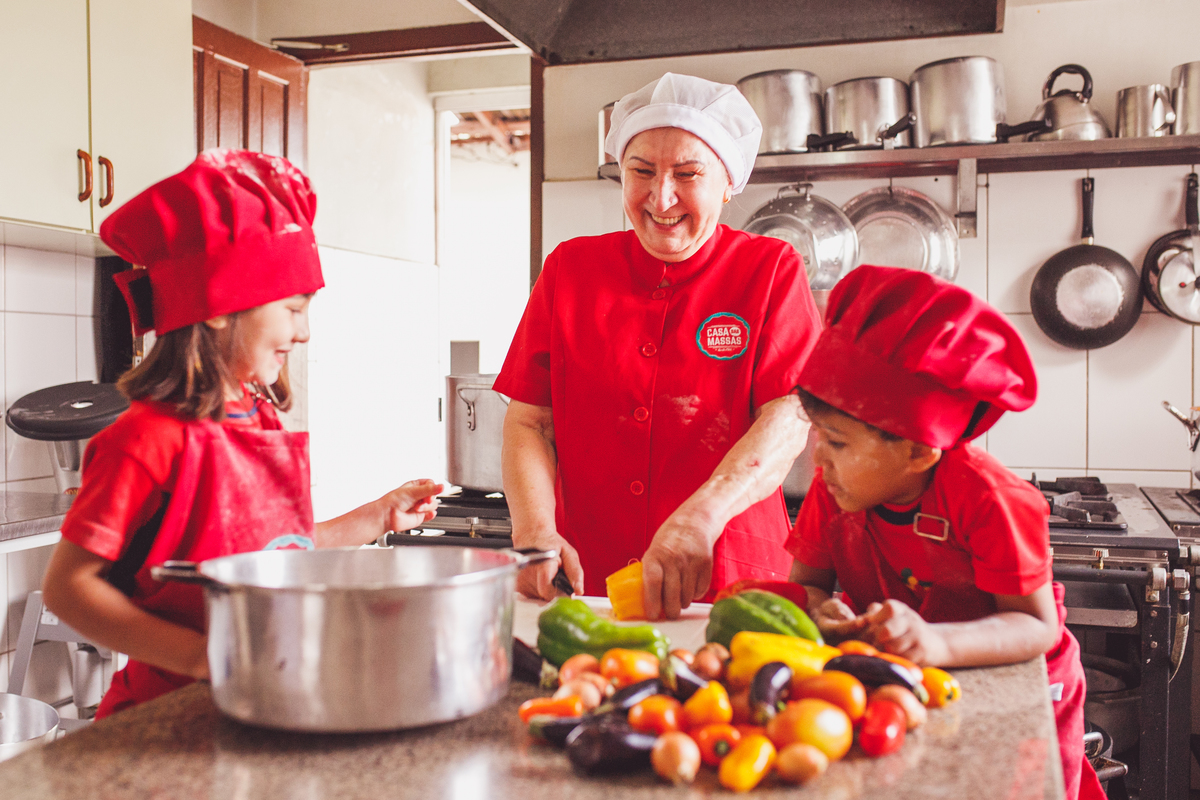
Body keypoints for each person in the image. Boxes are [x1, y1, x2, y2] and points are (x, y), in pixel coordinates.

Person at [41, 150, 444, 719]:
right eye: (293, 309)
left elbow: (274, 552)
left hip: (256, 703)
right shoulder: (147, 437)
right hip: (164, 720)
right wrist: (209, 657)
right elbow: (68, 589)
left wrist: (379, 515)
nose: (302, 333)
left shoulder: (257, 418)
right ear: (219, 308)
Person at [497, 72, 822, 619]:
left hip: (729, 577)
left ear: (727, 181)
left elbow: (789, 417)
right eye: (640, 171)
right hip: (591, 581)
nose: (660, 196)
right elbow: (530, 420)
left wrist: (701, 518)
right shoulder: (571, 269)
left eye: (688, 174)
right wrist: (535, 531)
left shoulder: (769, 269)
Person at [786, 265, 1105, 800]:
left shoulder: (991, 500)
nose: (818, 457)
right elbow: (808, 584)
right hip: (914, 675)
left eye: (837, 443)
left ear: (917, 451)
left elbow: (1035, 627)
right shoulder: (834, 490)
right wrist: (820, 609)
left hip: (1014, 686)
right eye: (818, 435)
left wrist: (937, 641)